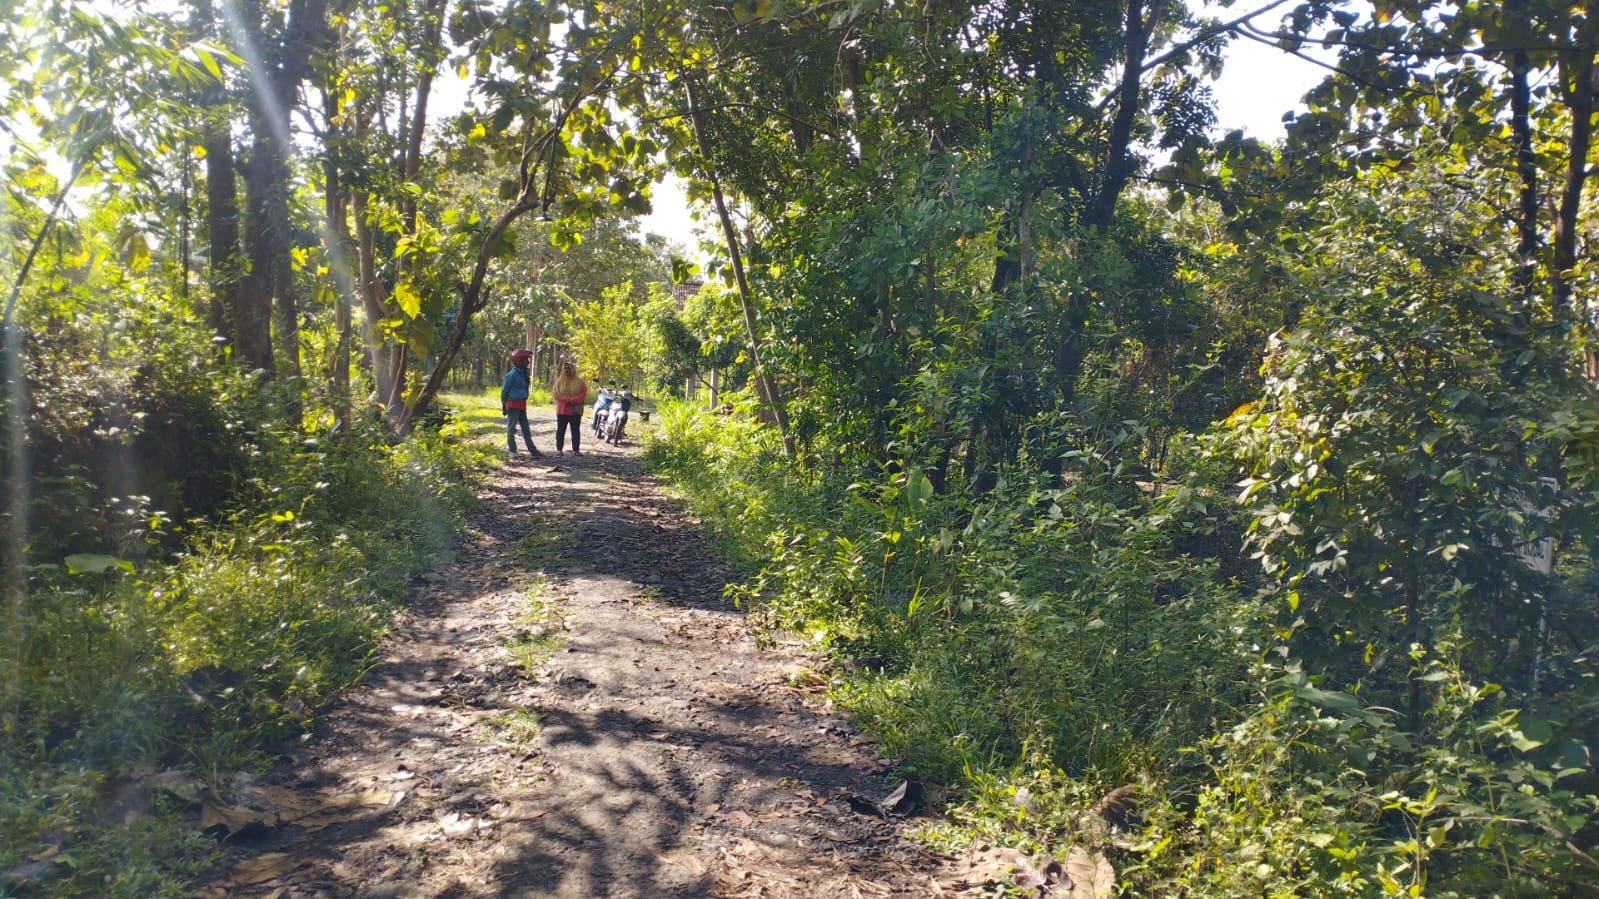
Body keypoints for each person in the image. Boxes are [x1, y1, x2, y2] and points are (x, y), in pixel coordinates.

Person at [500, 348, 542, 459]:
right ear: (519, 361)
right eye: (525, 360)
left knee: (526, 428)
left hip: (522, 404)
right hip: (513, 404)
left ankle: (533, 450)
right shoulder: (511, 375)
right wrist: (504, 405)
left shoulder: (524, 373)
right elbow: (504, 391)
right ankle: (512, 451)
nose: (527, 362)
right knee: (511, 428)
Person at [551, 362, 587, 455]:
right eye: (565, 368)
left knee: (575, 431)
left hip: (575, 411)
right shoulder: (559, 382)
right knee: (560, 430)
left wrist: (572, 400)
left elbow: (583, 394)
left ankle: (576, 450)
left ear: (573, 370)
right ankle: (559, 450)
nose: (567, 370)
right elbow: (555, 393)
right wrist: (566, 400)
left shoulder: (579, 383)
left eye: (569, 368)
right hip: (562, 410)